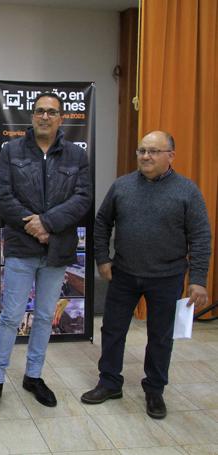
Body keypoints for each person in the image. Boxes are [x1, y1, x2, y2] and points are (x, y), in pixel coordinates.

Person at [81, 131, 211, 419]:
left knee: (160, 336)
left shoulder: (187, 191)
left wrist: (199, 279)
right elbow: (102, 222)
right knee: (113, 330)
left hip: (167, 276)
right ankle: (110, 382)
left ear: (170, 156)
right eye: (142, 151)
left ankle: (154, 389)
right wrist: (103, 258)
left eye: (154, 151)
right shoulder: (122, 186)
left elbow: (201, 236)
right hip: (124, 273)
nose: (146, 156)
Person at [0, 92, 92, 415]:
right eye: (40, 111)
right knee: (11, 317)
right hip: (22, 246)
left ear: (61, 118)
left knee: (44, 316)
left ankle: (34, 376)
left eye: (52, 112)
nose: (45, 116)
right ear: (32, 116)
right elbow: (3, 194)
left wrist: (48, 222)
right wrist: (33, 225)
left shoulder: (75, 155)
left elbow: (83, 197)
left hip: (58, 248)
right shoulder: (11, 151)